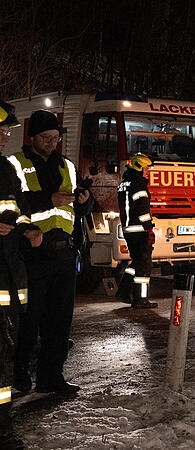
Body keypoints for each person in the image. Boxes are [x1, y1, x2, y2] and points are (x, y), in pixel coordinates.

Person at [10, 110, 93, 395]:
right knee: (28, 320)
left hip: (64, 254)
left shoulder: (66, 166)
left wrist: (84, 201)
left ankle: (51, 377)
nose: (52, 143)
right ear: (32, 136)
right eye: (46, 138)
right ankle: (19, 376)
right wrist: (48, 200)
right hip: (31, 255)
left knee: (59, 322)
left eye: (56, 138)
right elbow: (12, 205)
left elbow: (74, 207)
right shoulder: (15, 165)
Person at [0, 101, 42, 449]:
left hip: (8, 277)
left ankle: (2, 427)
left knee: (3, 359)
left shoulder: (5, 169)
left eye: (8, 131)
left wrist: (27, 229)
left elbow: (19, 209)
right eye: (1, 130)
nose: (5, 136)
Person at [117, 154, 157, 308]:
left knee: (137, 262)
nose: (148, 172)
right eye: (146, 168)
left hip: (129, 230)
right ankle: (140, 299)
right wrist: (149, 228)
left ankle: (124, 292)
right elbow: (142, 210)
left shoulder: (123, 184)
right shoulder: (138, 185)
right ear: (139, 167)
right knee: (144, 265)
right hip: (140, 230)